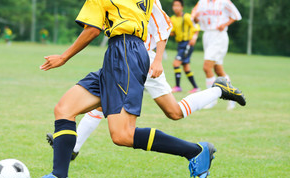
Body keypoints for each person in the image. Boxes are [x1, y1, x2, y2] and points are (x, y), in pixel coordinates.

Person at [19, 0, 231, 178]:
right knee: (64, 109)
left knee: (123, 134)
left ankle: (196, 151)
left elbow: (92, 29)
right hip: (122, 52)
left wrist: (64, 57)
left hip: (125, 52)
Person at [46, 0, 246, 163]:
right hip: (129, 57)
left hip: (142, 59)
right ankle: (218, 90)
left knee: (111, 107)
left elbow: (164, 26)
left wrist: (158, 60)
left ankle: (72, 147)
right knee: (173, 112)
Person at [191, 0, 242, 109]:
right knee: (218, 70)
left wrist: (224, 24)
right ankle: (233, 96)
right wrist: (195, 18)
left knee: (206, 67)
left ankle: (211, 99)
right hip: (207, 35)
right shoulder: (202, 2)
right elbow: (195, 18)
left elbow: (236, 15)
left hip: (219, 36)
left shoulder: (224, 2)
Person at [170, 0, 200, 93]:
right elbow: (173, 32)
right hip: (180, 44)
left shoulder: (186, 17)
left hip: (187, 43)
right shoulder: (173, 18)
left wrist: (194, 38)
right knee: (186, 67)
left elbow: (196, 27)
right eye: (174, 6)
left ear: (182, 7)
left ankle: (178, 86)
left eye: (178, 5)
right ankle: (195, 87)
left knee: (176, 63)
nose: (176, 7)